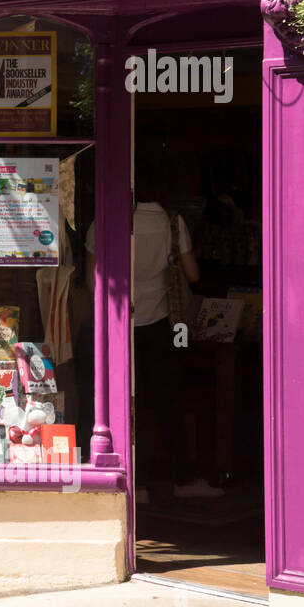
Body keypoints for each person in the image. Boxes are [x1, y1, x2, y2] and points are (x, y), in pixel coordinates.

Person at [86, 155, 220, 501]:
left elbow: (92, 280)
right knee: (168, 401)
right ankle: (182, 478)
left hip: (119, 325)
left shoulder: (106, 221)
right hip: (164, 325)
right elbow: (192, 275)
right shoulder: (173, 223)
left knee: (127, 404)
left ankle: (136, 482)